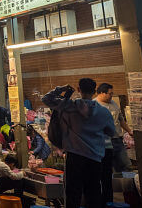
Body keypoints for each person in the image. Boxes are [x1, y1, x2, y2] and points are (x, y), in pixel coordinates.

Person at [42, 79, 115, 208]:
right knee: (93, 193)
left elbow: (46, 99)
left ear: (79, 89)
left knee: (73, 193)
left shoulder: (68, 106)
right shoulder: (104, 112)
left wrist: (61, 88)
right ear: (94, 91)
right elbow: (111, 132)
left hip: (74, 156)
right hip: (95, 158)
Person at [95, 83, 132, 172]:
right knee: (108, 166)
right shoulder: (94, 105)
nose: (112, 96)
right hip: (104, 141)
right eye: (110, 93)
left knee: (125, 165)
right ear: (102, 93)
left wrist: (129, 131)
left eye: (112, 93)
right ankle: (113, 184)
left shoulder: (113, 103)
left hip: (118, 139)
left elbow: (120, 119)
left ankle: (127, 184)